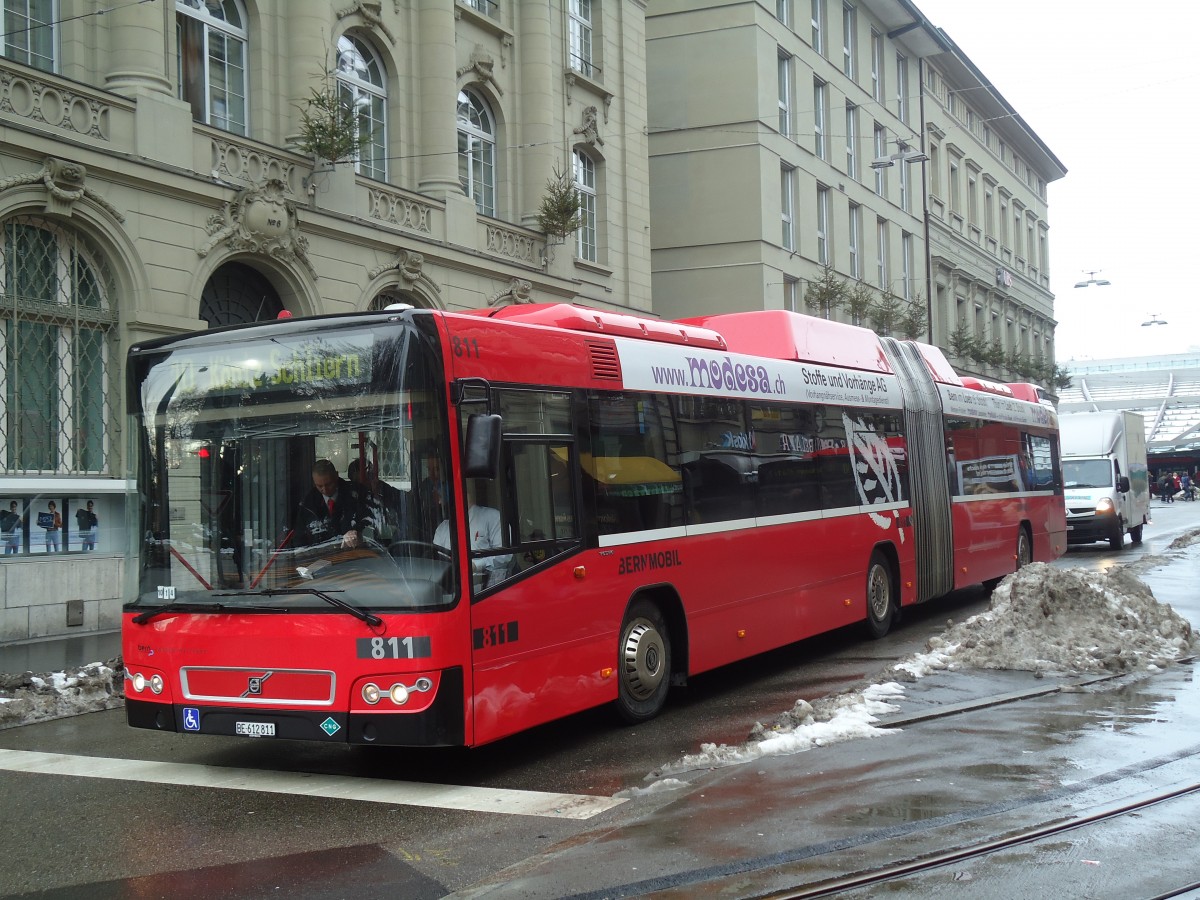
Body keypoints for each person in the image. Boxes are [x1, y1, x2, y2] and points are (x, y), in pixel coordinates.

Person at [433, 486, 513, 589]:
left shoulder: (493, 517)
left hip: (486, 591)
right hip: (450, 590)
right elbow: (437, 561)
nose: (439, 502)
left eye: (442, 497)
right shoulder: (442, 528)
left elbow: (504, 555)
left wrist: (475, 566)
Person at [295, 459, 367, 548]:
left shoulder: (357, 494)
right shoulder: (307, 503)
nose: (325, 490)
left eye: (329, 484)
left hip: (355, 555)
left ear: (336, 475)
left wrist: (356, 531)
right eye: (319, 486)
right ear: (314, 481)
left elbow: (368, 524)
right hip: (320, 557)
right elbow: (300, 539)